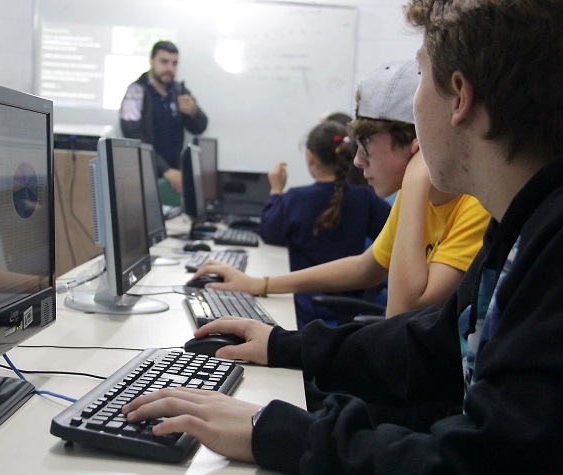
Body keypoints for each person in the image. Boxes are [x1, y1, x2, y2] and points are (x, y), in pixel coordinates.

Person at [123, 0, 563, 471]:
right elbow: (428, 346)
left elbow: (480, 461)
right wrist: (284, 345)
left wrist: (273, 431)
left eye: (421, 78)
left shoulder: (550, 251)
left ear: (460, 96)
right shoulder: (519, 226)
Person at [194, 59, 490, 318]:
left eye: (366, 146)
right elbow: (365, 268)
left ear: (415, 144)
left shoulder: (476, 206)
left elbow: (402, 315)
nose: (358, 161)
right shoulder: (417, 197)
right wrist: (262, 284)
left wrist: (413, 184)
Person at [260, 120, 391, 328]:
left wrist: (276, 190)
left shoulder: (296, 198)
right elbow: (395, 235)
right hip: (348, 309)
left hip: (302, 308)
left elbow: (269, 232)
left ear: (311, 157)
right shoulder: (365, 199)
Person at [119, 40, 208, 193]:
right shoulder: (135, 92)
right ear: (151, 61)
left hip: (174, 177)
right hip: (144, 175)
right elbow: (133, 137)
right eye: (164, 62)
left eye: (174, 63)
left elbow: (200, 127)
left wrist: (194, 112)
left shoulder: (179, 90)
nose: (169, 68)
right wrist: (165, 170)